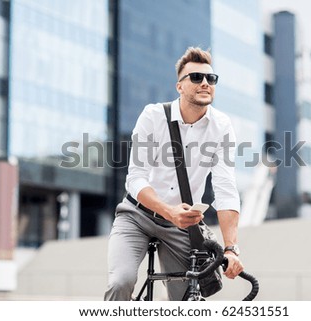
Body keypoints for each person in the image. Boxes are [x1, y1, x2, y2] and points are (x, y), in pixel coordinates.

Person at [104, 47, 243, 301]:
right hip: (137, 215)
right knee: (120, 282)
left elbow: (226, 189)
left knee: (187, 299)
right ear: (179, 86)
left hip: (182, 226)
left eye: (211, 79)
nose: (205, 83)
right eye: (196, 77)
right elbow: (135, 177)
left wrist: (231, 248)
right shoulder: (153, 116)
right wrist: (169, 211)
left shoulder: (222, 126)